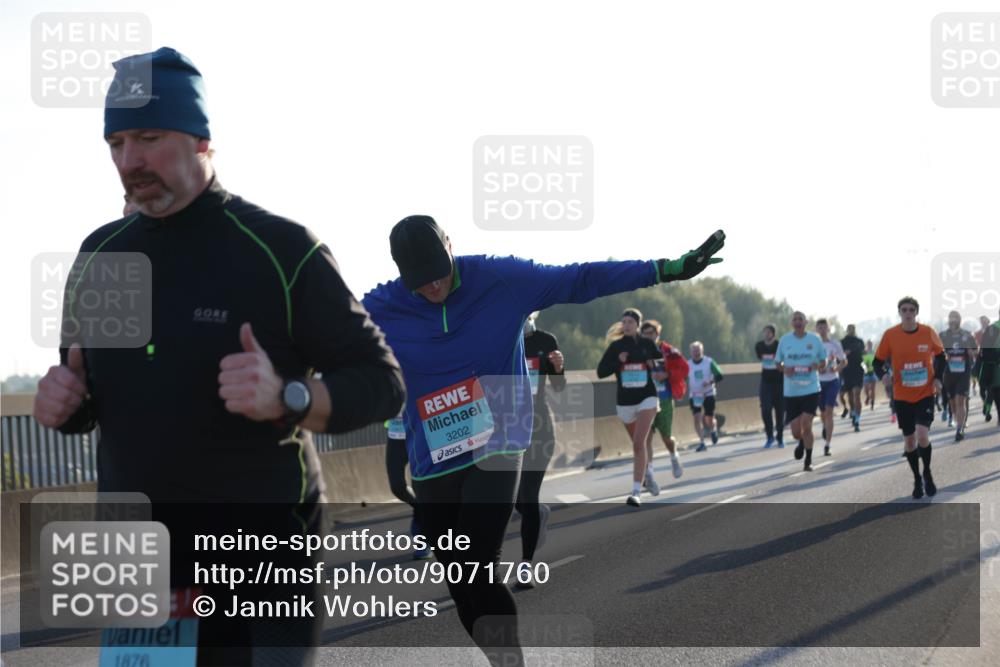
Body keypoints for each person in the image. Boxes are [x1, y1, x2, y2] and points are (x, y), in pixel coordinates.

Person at [32, 47, 406, 665]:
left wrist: (288, 396)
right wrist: (65, 405)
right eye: (116, 142)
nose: (130, 160)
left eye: (149, 137)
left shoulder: (279, 250)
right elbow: (90, 394)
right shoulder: (101, 256)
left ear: (201, 138)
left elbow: (381, 381)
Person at [361, 215, 726, 664]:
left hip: (500, 440)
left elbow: (580, 278)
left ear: (451, 247)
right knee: (460, 579)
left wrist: (665, 269)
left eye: (439, 273)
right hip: (433, 454)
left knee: (477, 562)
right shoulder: (380, 305)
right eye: (420, 282)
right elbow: (313, 332)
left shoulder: (500, 278)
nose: (433, 287)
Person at [873, 297, 946, 499]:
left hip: (925, 393)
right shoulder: (891, 335)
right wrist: (884, 376)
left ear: (916, 312)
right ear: (899, 312)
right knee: (910, 441)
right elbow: (877, 363)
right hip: (902, 396)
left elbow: (941, 356)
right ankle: (916, 479)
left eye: (911, 309)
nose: (907, 313)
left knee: (922, 435)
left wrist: (938, 378)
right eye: (904, 309)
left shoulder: (927, 332)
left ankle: (928, 473)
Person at [514, 311, 565, 587]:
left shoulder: (546, 340)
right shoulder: (501, 340)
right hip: (509, 430)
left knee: (529, 497)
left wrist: (558, 369)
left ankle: (525, 567)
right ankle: (539, 515)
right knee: (515, 500)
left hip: (540, 427)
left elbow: (559, 387)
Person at [598, 309, 663, 506]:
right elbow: (601, 372)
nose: (626, 325)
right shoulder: (616, 347)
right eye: (624, 322)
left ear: (638, 325)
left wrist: (654, 365)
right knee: (638, 446)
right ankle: (648, 474)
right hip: (625, 401)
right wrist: (618, 361)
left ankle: (636, 492)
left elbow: (661, 367)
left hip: (647, 398)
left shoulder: (647, 344)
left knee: (638, 443)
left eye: (630, 322)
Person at [775, 311, 826, 472]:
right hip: (791, 391)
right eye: (795, 319)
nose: (798, 322)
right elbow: (777, 363)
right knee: (797, 432)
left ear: (806, 322)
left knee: (807, 424)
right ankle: (801, 442)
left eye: (800, 319)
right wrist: (784, 369)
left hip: (811, 389)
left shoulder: (814, 340)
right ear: (791, 323)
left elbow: (823, 362)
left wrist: (817, 366)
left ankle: (808, 460)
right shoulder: (784, 340)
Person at [641, 319, 688, 478]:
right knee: (646, 436)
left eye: (651, 333)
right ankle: (649, 472)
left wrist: (667, 374)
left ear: (657, 334)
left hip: (665, 399)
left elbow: (685, 368)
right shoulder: (638, 351)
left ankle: (674, 456)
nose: (648, 336)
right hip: (646, 400)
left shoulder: (668, 351)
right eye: (645, 333)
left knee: (666, 437)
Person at [384, 411, 431, 559]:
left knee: (423, 488)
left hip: (421, 436)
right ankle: (420, 510)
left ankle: (424, 539)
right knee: (397, 486)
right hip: (396, 437)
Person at [939, 311, 978, 441]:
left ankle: (959, 429)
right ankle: (957, 420)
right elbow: (936, 351)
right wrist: (943, 354)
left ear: (959, 320)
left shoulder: (966, 335)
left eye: (955, 318)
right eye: (951, 318)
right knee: (953, 403)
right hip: (948, 373)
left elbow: (975, 351)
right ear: (948, 320)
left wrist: (971, 352)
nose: (953, 320)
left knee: (960, 400)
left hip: (963, 372)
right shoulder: (943, 336)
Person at [687, 341, 724, 452]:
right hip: (694, 395)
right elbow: (681, 377)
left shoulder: (709, 362)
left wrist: (710, 381)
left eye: (698, 351)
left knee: (708, 418)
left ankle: (713, 429)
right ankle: (702, 442)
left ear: (702, 351)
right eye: (694, 351)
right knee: (697, 418)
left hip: (708, 393)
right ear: (691, 352)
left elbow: (720, 375)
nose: (696, 353)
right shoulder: (687, 364)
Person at [816, 319, 846, 456]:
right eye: (820, 327)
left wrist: (836, 368)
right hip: (818, 382)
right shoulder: (813, 344)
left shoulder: (835, 344)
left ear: (828, 329)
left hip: (832, 381)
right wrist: (818, 369)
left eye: (824, 327)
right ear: (817, 329)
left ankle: (827, 445)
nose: (822, 330)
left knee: (829, 411)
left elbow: (844, 361)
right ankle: (824, 426)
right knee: (822, 413)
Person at [756, 324, 785, 448]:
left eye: (768, 332)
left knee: (780, 411)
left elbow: (784, 358)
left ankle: (780, 437)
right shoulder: (759, 346)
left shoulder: (780, 345)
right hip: (766, 381)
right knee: (765, 409)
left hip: (779, 381)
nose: (766, 334)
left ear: (773, 333)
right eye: (764, 332)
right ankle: (769, 436)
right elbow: (760, 357)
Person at [840, 324, 866, 431]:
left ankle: (857, 420)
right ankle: (853, 411)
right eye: (849, 329)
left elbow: (864, 353)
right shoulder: (842, 342)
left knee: (857, 394)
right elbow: (839, 355)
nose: (851, 330)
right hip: (847, 370)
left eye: (853, 329)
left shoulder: (859, 341)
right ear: (847, 330)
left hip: (858, 370)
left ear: (855, 330)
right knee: (850, 395)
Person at [979, 311, 1000, 425]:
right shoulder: (993, 329)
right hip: (995, 370)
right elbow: (984, 352)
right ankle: (988, 408)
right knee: (993, 392)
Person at [863, 340, 878, 411]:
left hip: (873, 373)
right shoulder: (864, 352)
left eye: (871, 344)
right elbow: (862, 363)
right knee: (866, 389)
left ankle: (872, 403)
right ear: (867, 344)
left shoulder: (874, 352)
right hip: (866, 374)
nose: (870, 345)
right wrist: (865, 369)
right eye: (868, 344)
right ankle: (868, 397)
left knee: (873, 389)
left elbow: (877, 362)